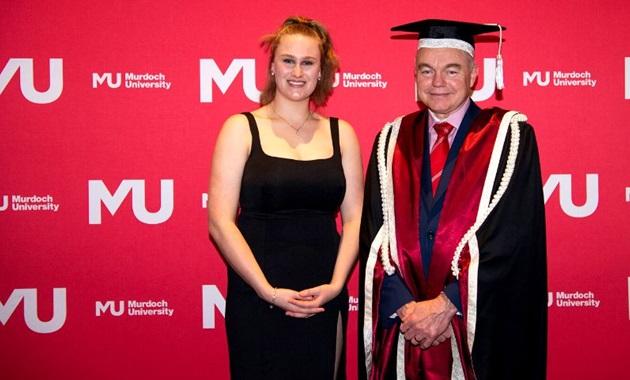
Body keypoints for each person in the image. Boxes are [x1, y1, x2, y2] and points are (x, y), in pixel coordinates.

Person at [359, 19, 547, 379]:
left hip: (475, 324)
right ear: (414, 75)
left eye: (452, 70)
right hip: (405, 327)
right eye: (426, 70)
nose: (438, 82)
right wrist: (405, 309)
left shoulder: (508, 137)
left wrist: (450, 305)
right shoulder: (391, 140)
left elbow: (515, 237)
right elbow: (374, 235)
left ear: (475, 73)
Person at [207, 16, 363, 380]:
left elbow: (355, 219)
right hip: (257, 292)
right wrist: (268, 292)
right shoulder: (240, 128)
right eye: (288, 60)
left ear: (321, 71)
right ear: (272, 67)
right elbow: (219, 221)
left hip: (324, 291)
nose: (297, 71)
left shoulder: (343, 134)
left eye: (308, 62)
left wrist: (337, 285)